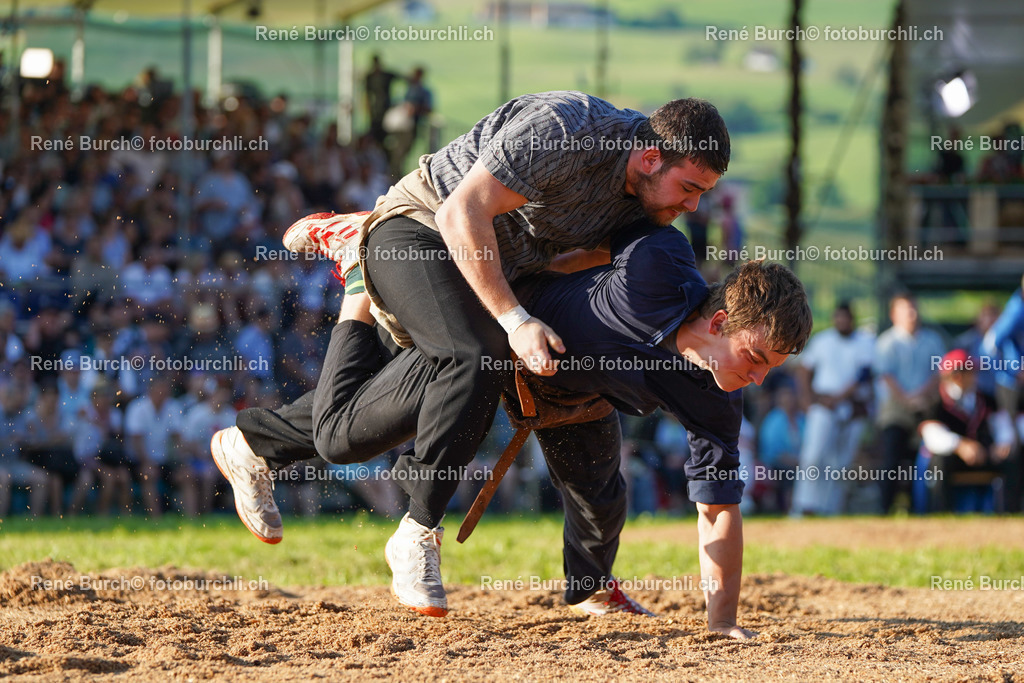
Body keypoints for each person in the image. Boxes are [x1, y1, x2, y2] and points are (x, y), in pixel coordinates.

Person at [217, 92, 731, 614]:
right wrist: (515, 319)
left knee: (573, 425)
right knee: (475, 357)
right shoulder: (564, 128)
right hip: (422, 230)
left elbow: (590, 256)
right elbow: (463, 211)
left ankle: (255, 442)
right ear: (649, 158)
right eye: (689, 188)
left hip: (492, 275)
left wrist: (541, 308)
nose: (692, 206)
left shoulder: (649, 204)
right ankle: (417, 531)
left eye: (702, 194)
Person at [215, 218, 811, 638]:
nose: (757, 379)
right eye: (755, 359)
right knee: (352, 433)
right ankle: (354, 279)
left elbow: (719, 509)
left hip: (578, 395)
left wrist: (722, 622)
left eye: (770, 371)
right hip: (502, 334)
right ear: (724, 319)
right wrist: (520, 298)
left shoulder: (717, 400)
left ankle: (592, 590)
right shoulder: (660, 261)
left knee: (602, 501)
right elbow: (582, 226)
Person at [791, 302, 875, 516]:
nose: (842, 321)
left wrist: (839, 398)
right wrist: (806, 401)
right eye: (839, 317)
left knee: (841, 464)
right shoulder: (823, 340)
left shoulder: (865, 342)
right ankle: (803, 506)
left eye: (846, 318)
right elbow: (803, 369)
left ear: (852, 319)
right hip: (823, 404)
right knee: (813, 456)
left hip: (851, 407)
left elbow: (864, 375)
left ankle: (831, 510)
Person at [916, 349, 1012, 513]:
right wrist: (960, 446)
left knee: (1011, 459)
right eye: (970, 372)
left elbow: (1002, 424)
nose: (975, 377)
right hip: (954, 457)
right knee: (939, 462)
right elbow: (932, 436)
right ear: (957, 376)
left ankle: (1010, 510)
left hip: (983, 454)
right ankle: (942, 513)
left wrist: (1002, 443)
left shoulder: (985, 399)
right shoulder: (935, 402)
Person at [874, 294, 945, 513]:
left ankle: (920, 509)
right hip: (896, 410)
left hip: (925, 407)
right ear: (894, 315)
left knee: (922, 463)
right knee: (891, 461)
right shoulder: (887, 342)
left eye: (914, 309)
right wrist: (907, 399)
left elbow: (940, 373)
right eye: (906, 310)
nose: (912, 314)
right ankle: (886, 510)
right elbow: (887, 376)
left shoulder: (933, 340)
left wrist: (919, 397)